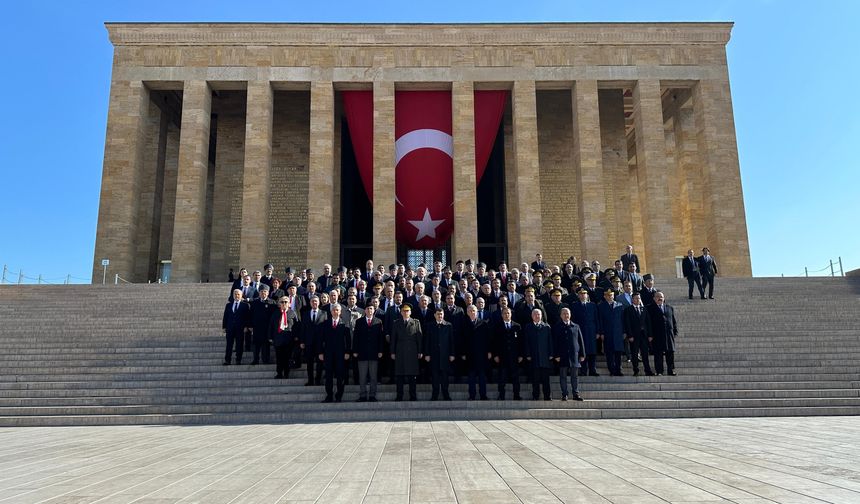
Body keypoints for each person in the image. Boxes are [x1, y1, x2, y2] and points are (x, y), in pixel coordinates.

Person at [318, 304, 351, 403]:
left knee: (340, 376)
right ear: (331, 312)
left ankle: (339, 396)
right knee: (328, 376)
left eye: (337, 310)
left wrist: (347, 352)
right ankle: (329, 396)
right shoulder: (325, 323)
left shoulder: (344, 324)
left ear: (340, 312)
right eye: (333, 310)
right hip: (328, 354)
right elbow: (321, 339)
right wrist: (320, 352)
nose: (335, 312)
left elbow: (348, 340)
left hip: (341, 354)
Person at [390, 304, 423, 401]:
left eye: (407, 311)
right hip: (400, 351)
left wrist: (420, 351)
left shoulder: (416, 322)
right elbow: (393, 339)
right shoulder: (396, 323)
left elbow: (419, 338)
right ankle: (399, 396)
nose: (406, 312)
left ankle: (413, 396)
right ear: (401, 312)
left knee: (412, 376)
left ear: (410, 312)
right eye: (404, 311)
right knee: (399, 375)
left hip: (412, 352)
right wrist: (392, 352)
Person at [352, 304, 384, 402]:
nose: (370, 310)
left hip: (374, 353)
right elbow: (356, 337)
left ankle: (372, 395)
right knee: (362, 376)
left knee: (373, 376)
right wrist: (355, 350)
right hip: (362, 353)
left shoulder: (378, 322)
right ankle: (362, 395)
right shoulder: (359, 321)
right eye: (368, 309)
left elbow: (380, 338)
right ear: (365, 311)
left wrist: (380, 350)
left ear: (374, 310)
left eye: (371, 309)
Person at [552, 307, 585, 401]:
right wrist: (556, 355)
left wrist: (582, 354)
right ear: (560, 315)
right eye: (564, 313)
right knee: (563, 376)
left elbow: (580, 340)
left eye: (567, 313)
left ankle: (576, 394)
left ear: (570, 315)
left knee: (575, 376)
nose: (566, 315)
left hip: (574, 355)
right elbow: (555, 342)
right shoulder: (557, 326)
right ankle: (564, 394)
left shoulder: (576, 326)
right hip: (562, 355)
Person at [423, 307, 455, 401]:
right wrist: (427, 354)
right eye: (438, 314)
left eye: (441, 314)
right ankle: (435, 394)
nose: (440, 316)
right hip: (434, 355)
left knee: (445, 376)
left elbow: (451, 341)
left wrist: (452, 354)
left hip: (445, 356)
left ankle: (446, 394)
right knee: (435, 376)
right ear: (434, 315)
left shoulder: (448, 325)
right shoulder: (430, 325)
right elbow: (427, 341)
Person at [492, 306, 524, 400]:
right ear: (502, 315)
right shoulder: (497, 326)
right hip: (502, 356)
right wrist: (496, 355)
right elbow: (494, 342)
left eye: (508, 313)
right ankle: (501, 395)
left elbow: (521, 342)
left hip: (514, 356)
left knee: (515, 377)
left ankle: (516, 395)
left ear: (511, 314)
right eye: (504, 313)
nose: (506, 315)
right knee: (502, 377)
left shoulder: (517, 326)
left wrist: (521, 355)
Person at [462, 305, 491, 400]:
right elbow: (461, 340)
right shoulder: (464, 324)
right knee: (471, 377)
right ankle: (472, 395)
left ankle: (483, 395)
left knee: (482, 376)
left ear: (477, 312)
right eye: (470, 311)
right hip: (469, 355)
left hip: (482, 354)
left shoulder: (484, 323)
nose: (472, 312)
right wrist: (463, 353)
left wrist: (489, 351)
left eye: (474, 310)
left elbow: (488, 339)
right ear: (467, 312)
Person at [524, 308, 554, 401]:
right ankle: (535, 396)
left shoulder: (546, 327)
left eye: (539, 314)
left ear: (541, 316)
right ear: (532, 316)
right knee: (535, 379)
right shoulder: (528, 327)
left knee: (546, 379)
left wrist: (551, 353)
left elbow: (550, 341)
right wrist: (527, 354)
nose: (537, 316)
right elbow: (526, 342)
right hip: (534, 356)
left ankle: (547, 396)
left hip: (544, 357)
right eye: (535, 314)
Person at [622, 292, 654, 376]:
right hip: (634, 336)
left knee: (645, 354)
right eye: (636, 298)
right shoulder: (628, 310)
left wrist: (650, 335)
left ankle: (648, 370)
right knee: (634, 354)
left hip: (644, 336)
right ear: (632, 300)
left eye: (639, 298)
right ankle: (636, 370)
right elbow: (627, 323)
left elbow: (648, 322)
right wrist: (630, 335)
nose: (638, 300)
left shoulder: (644, 309)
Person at [571, 288, 600, 377]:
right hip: (581, 331)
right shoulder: (575, 305)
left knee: (592, 352)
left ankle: (592, 370)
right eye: (581, 294)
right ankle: (583, 371)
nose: (583, 295)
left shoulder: (592, 305)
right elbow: (574, 320)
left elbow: (596, 319)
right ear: (578, 295)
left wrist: (598, 331)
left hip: (591, 331)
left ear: (587, 295)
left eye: (584, 294)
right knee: (583, 352)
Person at [649, 291, 679, 376]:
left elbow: (673, 321)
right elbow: (649, 323)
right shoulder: (650, 308)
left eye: (661, 297)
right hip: (657, 335)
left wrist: (674, 331)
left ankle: (671, 370)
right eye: (658, 297)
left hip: (669, 335)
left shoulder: (669, 308)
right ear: (654, 299)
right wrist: (650, 334)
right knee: (658, 355)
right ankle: (659, 371)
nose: (660, 298)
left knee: (670, 354)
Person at [300, 296, 328, 386]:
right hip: (309, 343)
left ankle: (318, 380)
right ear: (310, 303)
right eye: (312, 301)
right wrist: (302, 341)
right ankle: (310, 380)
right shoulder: (305, 314)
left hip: (320, 343)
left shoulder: (324, 313)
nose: (314, 303)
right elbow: (303, 329)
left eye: (316, 301)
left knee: (320, 363)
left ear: (319, 302)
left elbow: (325, 329)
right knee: (309, 363)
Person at [597, 289, 625, 376]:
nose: (610, 297)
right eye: (608, 295)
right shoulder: (601, 306)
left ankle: (618, 370)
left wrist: (624, 332)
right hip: (607, 333)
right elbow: (600, 320)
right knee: (609, 353)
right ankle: (612, 370)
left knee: (618, 353)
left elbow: (623, 320)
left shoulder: (620, 305)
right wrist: (601, 332)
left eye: (611, 295)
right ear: (604, 296)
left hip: (618, 333)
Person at [270, 295, 299, 379]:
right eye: (282, 302)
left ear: (289, 304)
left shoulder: (292, 313)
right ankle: (279, 373)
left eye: (285, 302)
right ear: (279, 304)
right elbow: (271, 325)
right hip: (278, 339)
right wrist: (270, 337)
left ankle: (286, 373)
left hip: (289, 339)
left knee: (287, 357)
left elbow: (296, 325)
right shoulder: (275, 313)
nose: (284, 303)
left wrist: (296, 336)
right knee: (279, 358)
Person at [249, 285, 277, 365]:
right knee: (256, 345)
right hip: (257, 327)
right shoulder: (254, 302)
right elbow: (251, 315)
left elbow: (274, 317)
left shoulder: (272, 302)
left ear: (268, 293)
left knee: (266, 345)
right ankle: (255, 360)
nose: (263, 293)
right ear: (259, 293)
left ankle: (265, 360)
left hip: (267, 328)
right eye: (261, 291)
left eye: (265, 291)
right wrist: (250, 325)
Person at [222, 289, 250, 365]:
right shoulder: (228, 305)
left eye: (238, 294)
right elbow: (225, 316)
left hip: (240, 328)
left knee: (239, 344)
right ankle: (227, 360)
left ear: (241, 296)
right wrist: (224, 327)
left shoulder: (245, 305)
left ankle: (238, 360)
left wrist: (246, 326)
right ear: (233, 295)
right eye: (235, 294)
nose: (237, 296)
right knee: (229, 345)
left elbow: (247, 317)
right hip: (230, 327)